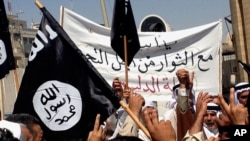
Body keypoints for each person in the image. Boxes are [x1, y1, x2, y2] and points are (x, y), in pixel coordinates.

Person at [164, 69, 195, 141]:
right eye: (185, 92)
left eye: (189, 93)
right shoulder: (171, 114)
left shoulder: (198, 112)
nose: (187, 96)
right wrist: (183, 84)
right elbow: (182, 108)